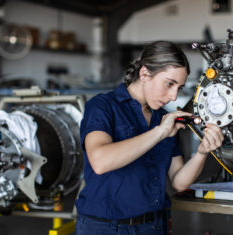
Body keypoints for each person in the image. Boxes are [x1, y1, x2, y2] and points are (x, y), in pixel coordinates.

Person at [75, 41, 224, 235]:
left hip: (153, 226)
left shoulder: (163, 119)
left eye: (178, 88)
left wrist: (202, 153)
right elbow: (101, 162)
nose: (173, 96)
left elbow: (179, 181)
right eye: (169, 84)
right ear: (144, 74)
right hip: (106, 227)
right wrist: (159, 132)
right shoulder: (103, 107)